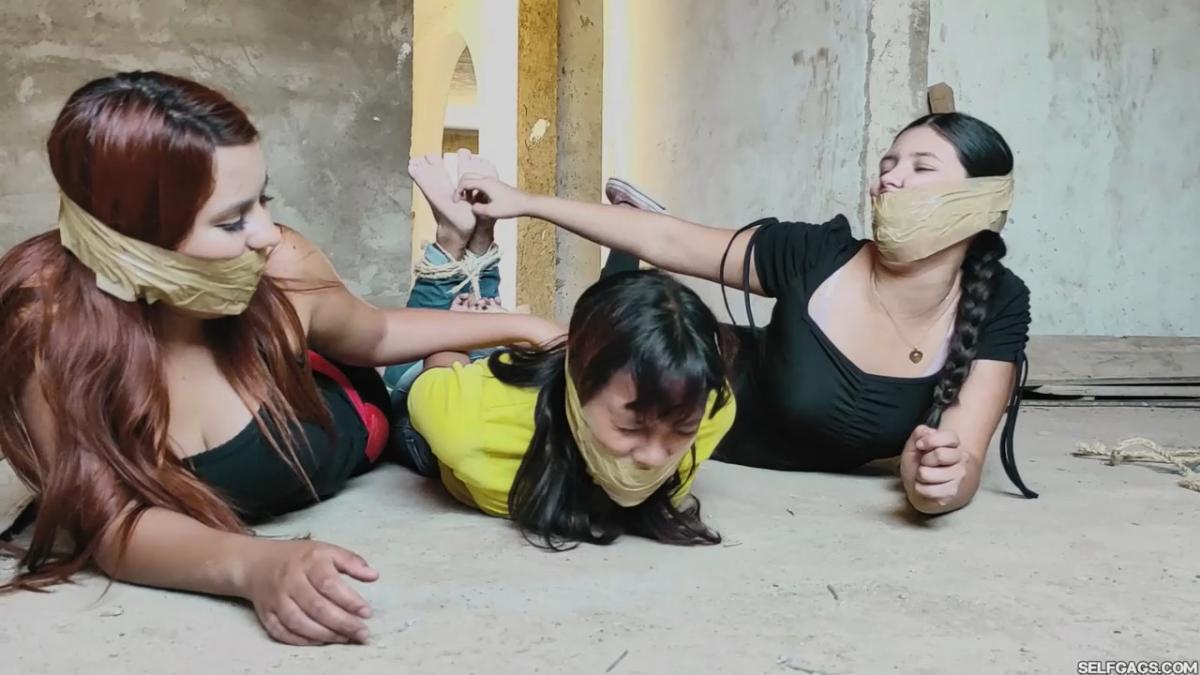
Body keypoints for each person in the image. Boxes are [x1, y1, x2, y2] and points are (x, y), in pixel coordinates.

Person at [0, 71, 562, 646]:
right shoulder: (49, 331)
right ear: (130, 239)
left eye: (262, 201)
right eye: (232, 221)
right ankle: (456, 248)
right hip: (325, 391)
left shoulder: (282, 266)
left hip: (360, 407)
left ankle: (456, 250)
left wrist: (523, 326)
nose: (268, 233)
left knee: (435, 393)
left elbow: (375, 335)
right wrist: (254, 566)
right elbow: (111, 524)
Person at [454, 112, 1036, 515]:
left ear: (981, 201)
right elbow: (672, 241)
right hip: (692, 388)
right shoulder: (817, 254)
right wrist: (526, 203)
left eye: (921, 167)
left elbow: (962, 457)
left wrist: (937, 484)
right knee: (549, 368)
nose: (889, 177)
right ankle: (498, 267)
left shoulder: (1000, 302)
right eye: (889, 162)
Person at [387, 155, 738, 549]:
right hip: (489, 386)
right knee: (428, 355)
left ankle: (455, 239)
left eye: (682, 430)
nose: (655, 458)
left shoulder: (710, 406)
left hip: (479, 389)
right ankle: (464, 239)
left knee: (408, 372)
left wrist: (506, 326)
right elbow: (441, 355)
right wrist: (522, 327)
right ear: (577, 375)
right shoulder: (473, 422)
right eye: (631, 428)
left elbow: (441, 347)